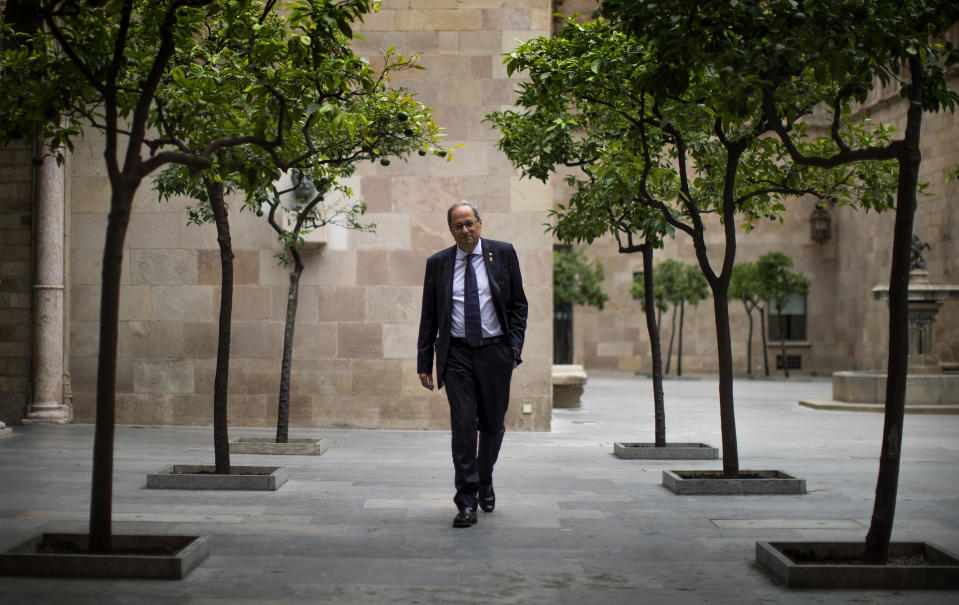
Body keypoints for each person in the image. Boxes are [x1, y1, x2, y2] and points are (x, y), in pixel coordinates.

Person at [417, 201, 528, 528]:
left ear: (480, 223)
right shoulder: (438, 263)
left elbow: (519, 305)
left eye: (469, 224)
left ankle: (484, 476)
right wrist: (425, 360)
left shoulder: (502, 253)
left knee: (493, 425)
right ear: (450, 229)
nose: (464, 230)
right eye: (457, 226)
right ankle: (466, 501)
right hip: (457, 356)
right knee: (464, 427)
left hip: (496, 354)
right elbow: (428, 316)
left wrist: (513, 347)